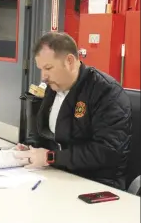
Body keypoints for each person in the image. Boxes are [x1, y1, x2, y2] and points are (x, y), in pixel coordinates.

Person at [15, 32, 132, 190]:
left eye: (48, 68)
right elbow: (51, 136)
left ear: (69, 61)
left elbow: (107, 152)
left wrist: (50, 157)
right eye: (41, 69)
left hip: (97, 184)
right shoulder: (54, 88)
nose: (43, 77)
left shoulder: (106, 92)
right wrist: (32, 150)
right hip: (60, 174)